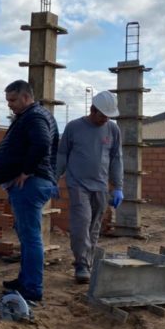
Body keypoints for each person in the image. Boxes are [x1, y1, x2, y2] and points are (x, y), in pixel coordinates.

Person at [0, 80, 59, 302]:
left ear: (26, 97)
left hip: (30, 184)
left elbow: (41, 143)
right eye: (7, 100)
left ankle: (31, 288)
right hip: (32, 183)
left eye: (12, 100)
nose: (9, 105)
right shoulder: (32, 116)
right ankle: (25, 280)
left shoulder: (35, 116)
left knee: (30, 237)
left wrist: (27, 171)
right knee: (27, 235)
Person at [56, 90, 123, 284]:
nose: (105, 119)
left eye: (109, 116)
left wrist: (117, 186)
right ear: (92, 110)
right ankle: (81, 264)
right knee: (81, 223)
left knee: (94, 227)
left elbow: (116, 158)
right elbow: (62, 155)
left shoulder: (112, 129)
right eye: (102, 115)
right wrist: (54, 178)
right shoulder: (74, 127)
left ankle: (88, 260)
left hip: (100, 185)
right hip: (78, 184)